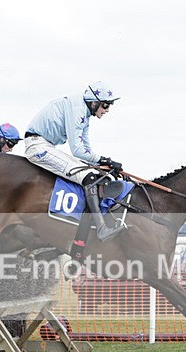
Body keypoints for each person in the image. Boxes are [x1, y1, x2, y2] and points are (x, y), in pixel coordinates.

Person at [24, 81, 125, 241]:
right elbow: (77, 150)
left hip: (46, 145)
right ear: (94, 102)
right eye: (105, 105)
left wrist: (103, 164)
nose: (107, 110)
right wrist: (106, 160)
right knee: (90, 177)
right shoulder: (77, 110)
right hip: (38, 147)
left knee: (95, 172)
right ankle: (101, 229)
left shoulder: (83, 112)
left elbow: (85, 149)